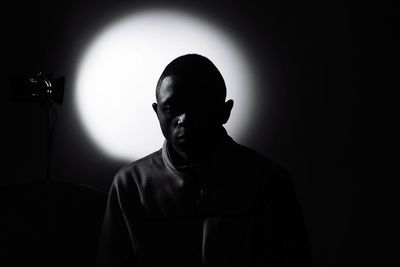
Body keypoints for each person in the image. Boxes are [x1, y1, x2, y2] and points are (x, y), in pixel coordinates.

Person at [97, 54, 310, 267]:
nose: (185, 119)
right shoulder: (129, 185)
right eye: (171, 107)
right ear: (157, 112)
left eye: (199, 106)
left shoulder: (269, 184)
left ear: (225, 112)